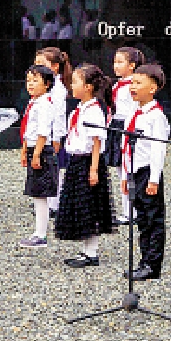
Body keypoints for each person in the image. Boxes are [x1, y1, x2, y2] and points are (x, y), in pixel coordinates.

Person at [55, 63, 114, 267]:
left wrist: (94, 168)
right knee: (80, 206)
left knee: (90, 207)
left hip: (88, 161)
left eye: (76, 82)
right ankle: (85, 250)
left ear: (88, 86)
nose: (72, 86)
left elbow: (97, 141)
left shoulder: (94, 110)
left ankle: (91, 252)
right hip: (76, 160)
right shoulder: (80, 108)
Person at [120, 63, 169, 280]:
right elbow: (128, 146)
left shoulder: (156, 116)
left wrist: (154, 179)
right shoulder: (135, 112)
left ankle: (152, 264)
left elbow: (158, 149)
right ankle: (143, 260)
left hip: (148, 172)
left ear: (153, 88)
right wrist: (125, 174)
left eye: (138, 83)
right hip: (135, 170)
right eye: (132, 82)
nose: (133, 87)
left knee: (152, 219)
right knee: (141, 219)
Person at [17, 63, 60, 248]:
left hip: (41, 150)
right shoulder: (33, 102)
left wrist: (36, 154)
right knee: (36, 193)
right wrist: (24, 149)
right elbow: (28, 129)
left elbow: (43, 132)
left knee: (41, 194)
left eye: (35, 80)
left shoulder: (45, 103)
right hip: (33, 148)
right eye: (28, 80)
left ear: (47, 84)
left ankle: (41, 234)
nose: (31, 84)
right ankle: (38, 232)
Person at [107, 46, 146, 219]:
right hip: (116, 124)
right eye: (115, 61)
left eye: (120, 62)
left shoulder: (132, 86)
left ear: (132, 65)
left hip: (126, 126)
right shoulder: (118, 84)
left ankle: (132, 211)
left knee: (127, 168)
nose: (115, 65)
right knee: (119, 169)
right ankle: (127, 210)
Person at [36, 47, 73, 220]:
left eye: (42, 64)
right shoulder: (46, 86)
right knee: (46, 166)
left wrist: (57, 137)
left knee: (54, 168)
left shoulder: (58, 89)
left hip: (53, 133)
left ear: (55, 66)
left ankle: (54, 203)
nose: (37, 68)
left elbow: (59, 115)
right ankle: (48, 199)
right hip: (44, 131)